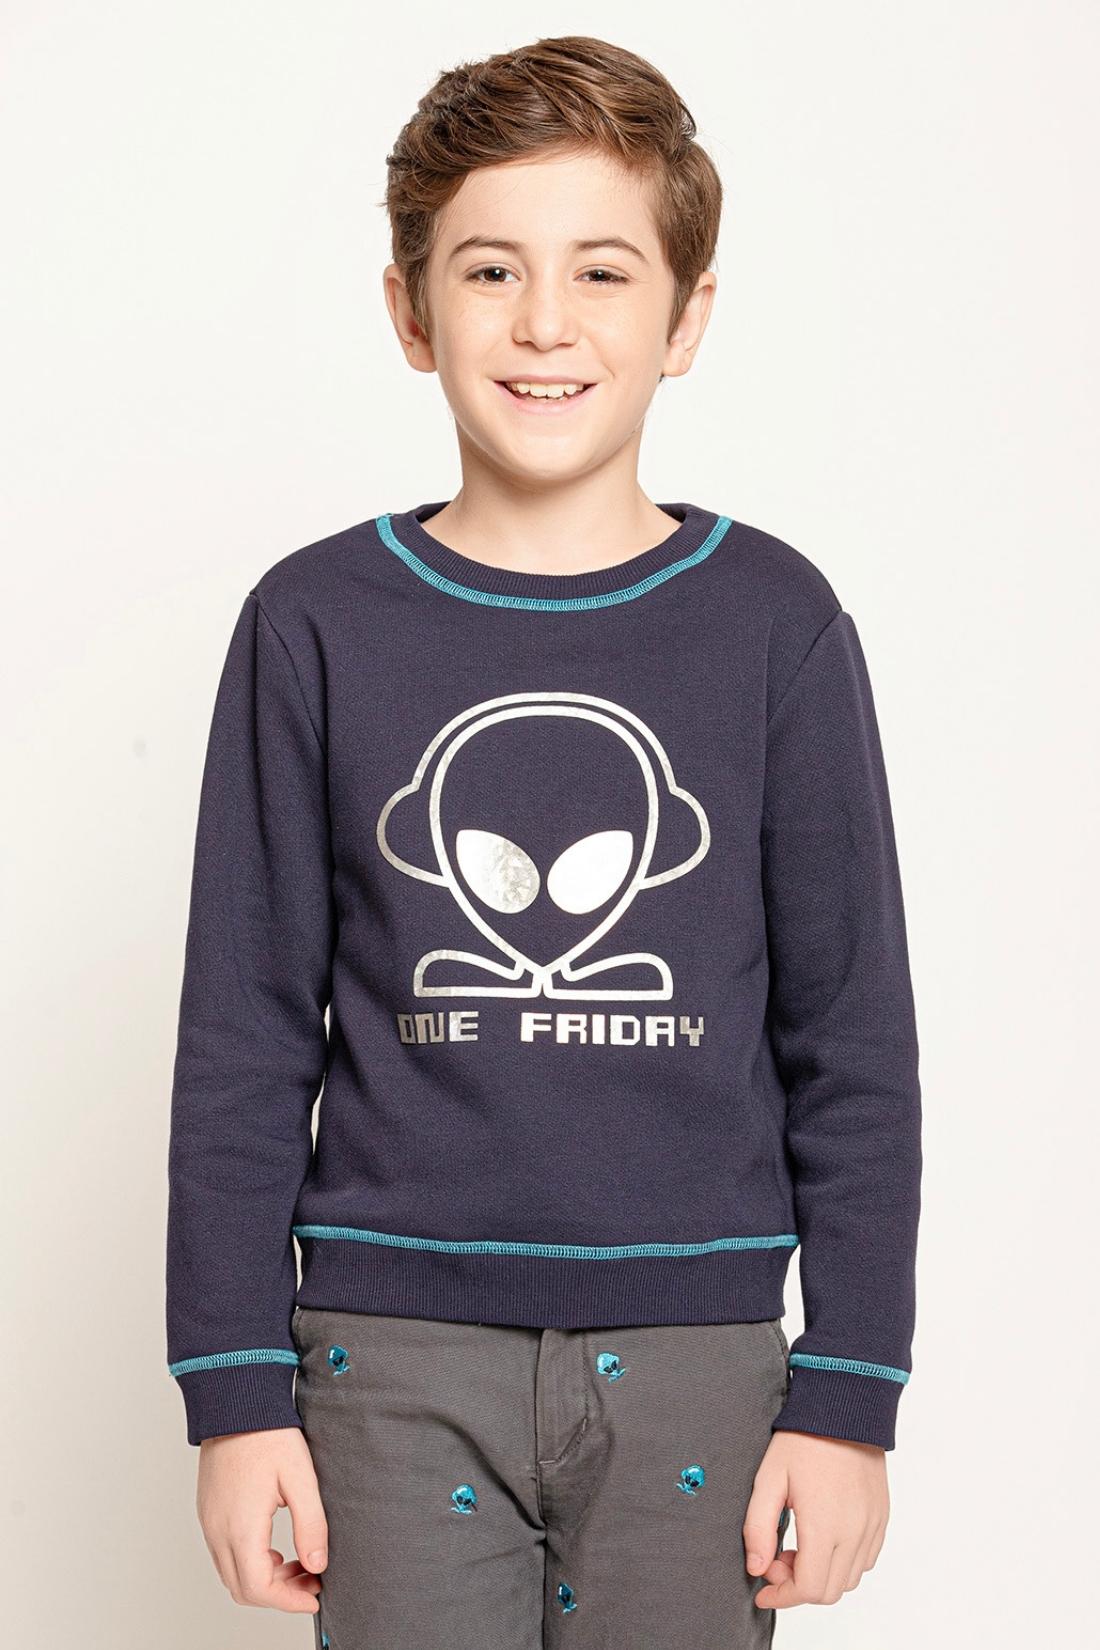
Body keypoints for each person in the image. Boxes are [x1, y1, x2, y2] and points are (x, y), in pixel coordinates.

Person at [165, 33, 922, 1649]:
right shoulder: (314, 623)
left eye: (603, 271)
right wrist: (232, 1390)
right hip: (382, 1363)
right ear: (409, 309)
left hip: (704, 1361)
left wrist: (853, 1390)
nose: (545, 323)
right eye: (491, 269)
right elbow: (241, 1039)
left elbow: (852, 1038)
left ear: (687, 316)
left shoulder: (774, 623)